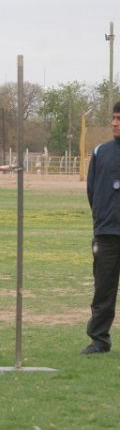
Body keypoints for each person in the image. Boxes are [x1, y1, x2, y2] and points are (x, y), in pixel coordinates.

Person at [84, 101, 120, 355]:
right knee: (103, 289)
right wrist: (101, 218)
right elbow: (92, 190)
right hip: (107, 233)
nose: (115, 123)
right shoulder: (101, 152)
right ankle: (99, 340)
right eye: (114, 118)